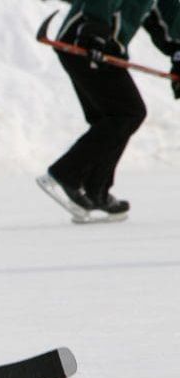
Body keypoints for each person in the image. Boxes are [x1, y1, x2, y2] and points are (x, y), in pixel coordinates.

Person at [36, 0, 180, 224]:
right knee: (128, 112)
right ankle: (65, 175)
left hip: (103, 46)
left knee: (110, 118)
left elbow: (169, 20)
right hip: (84, 41)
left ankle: (97, 191)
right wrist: (93, 30)